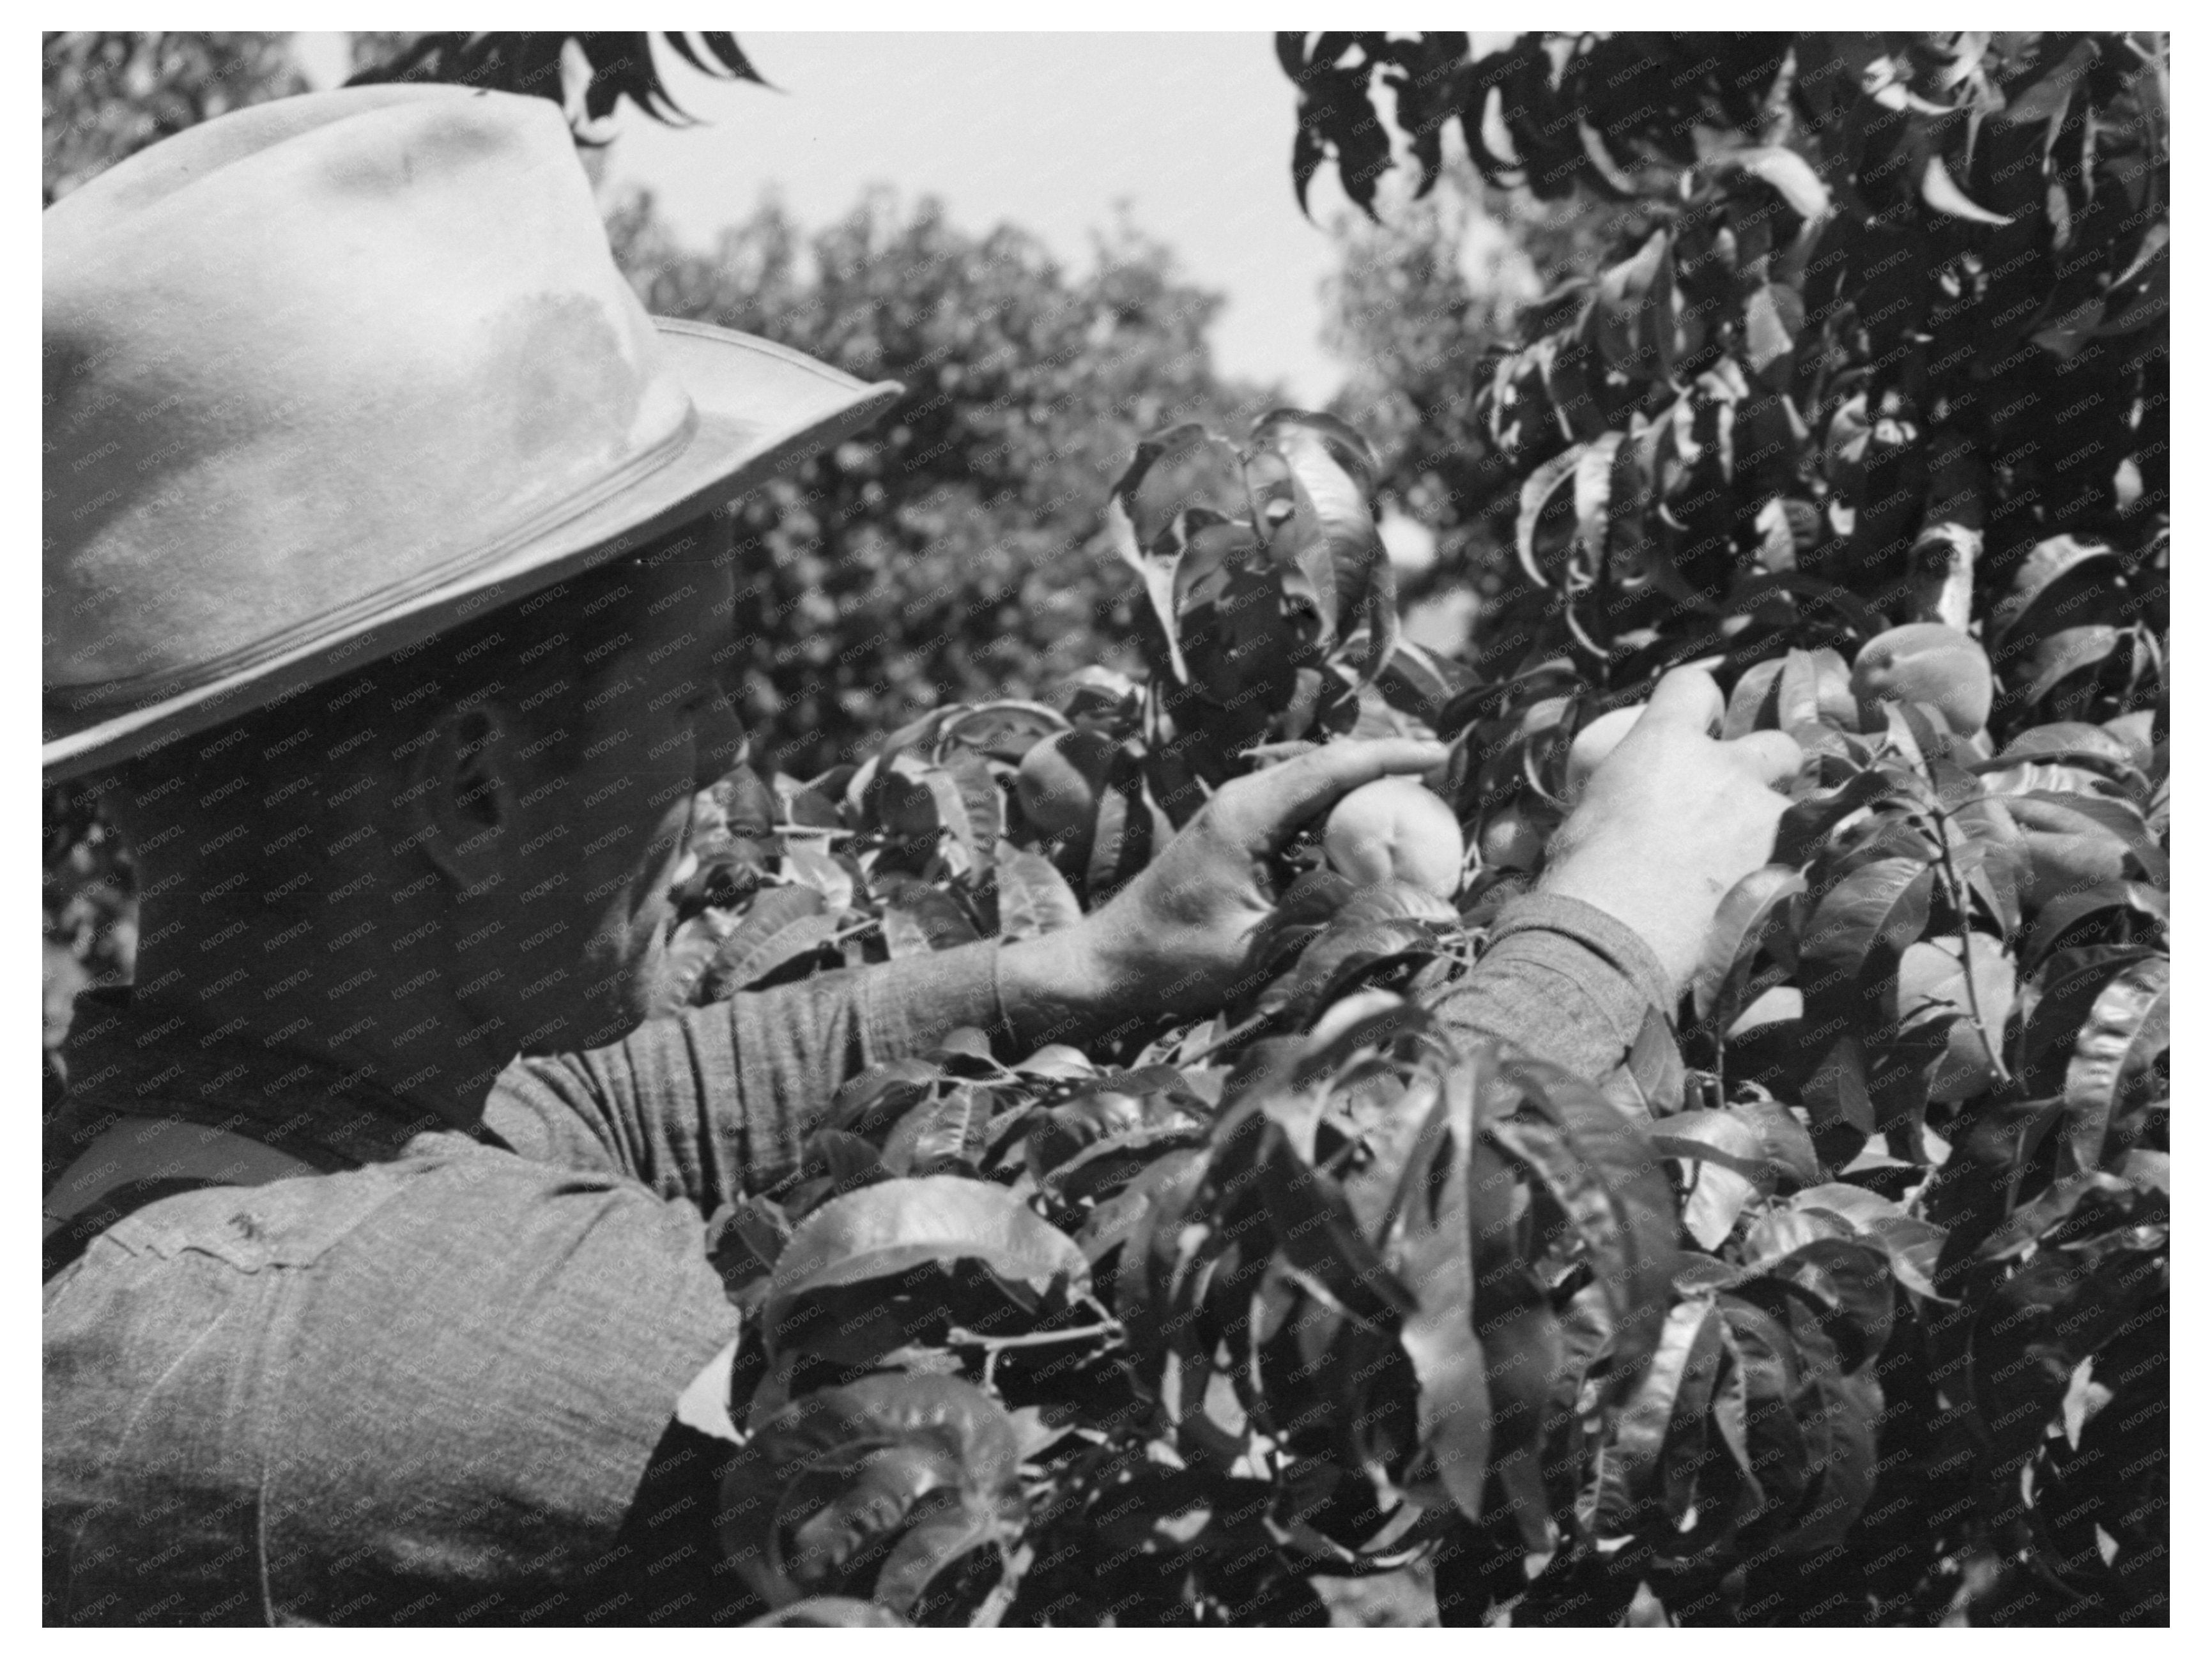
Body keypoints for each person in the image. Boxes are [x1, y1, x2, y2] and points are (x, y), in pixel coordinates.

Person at [42, 85, 1802, 1626]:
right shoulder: (405, 1349)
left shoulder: (210, 1152)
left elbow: (606, 1100)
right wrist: (1615, 915)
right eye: (699, 693)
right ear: (481, 790)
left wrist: (1087, 964)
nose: (735, 752)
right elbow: (1172, 1381)